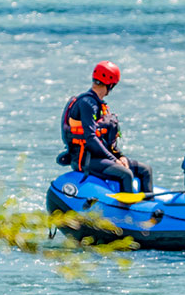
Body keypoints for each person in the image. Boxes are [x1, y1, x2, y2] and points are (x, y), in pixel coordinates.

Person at [60, 61, 153, 195]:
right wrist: (113, 160)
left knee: (145, 170)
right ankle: (128, 212)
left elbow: (104, 139)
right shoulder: (87, 103)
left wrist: (120, 156)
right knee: (126, 174)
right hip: (85, 159)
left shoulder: (100, 105)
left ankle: (150, 210)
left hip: (101, 157)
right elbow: (91, 138)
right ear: (111, 85)